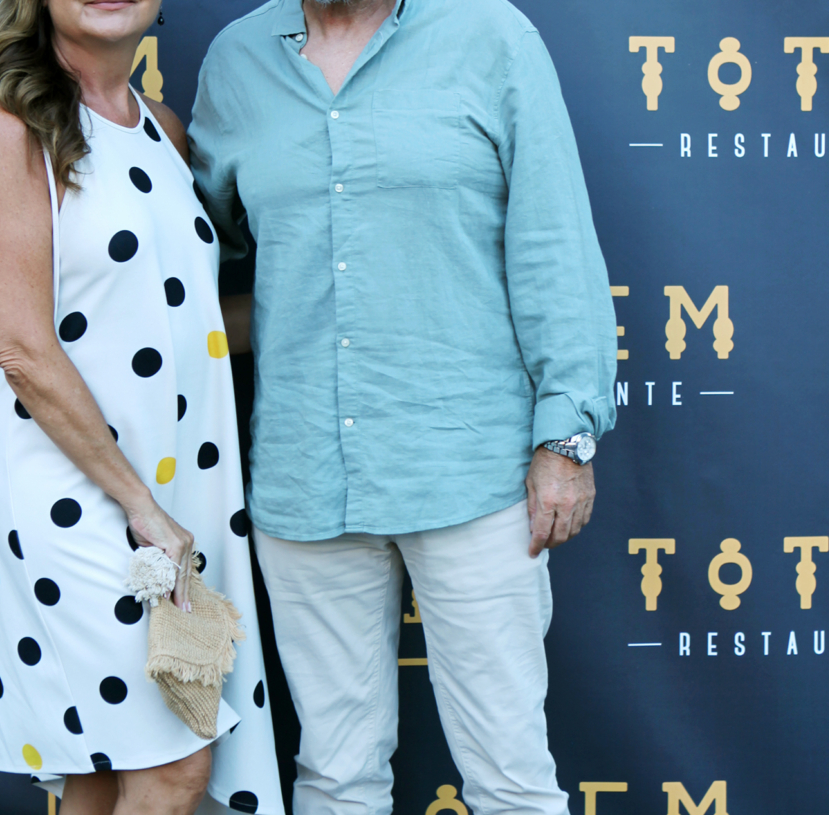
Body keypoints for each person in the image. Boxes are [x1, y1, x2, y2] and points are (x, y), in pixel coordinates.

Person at [190, 1, 617, 813]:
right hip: (304, 474)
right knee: (334, 774)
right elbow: (192, 245)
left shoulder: (491, 37)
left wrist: (567, 436)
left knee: (511, 776)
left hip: (473, 470)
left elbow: (554, 240)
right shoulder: (237, 61)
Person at [0, 1, 282, 814]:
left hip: (180, 493)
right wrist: (142, 508)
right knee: (173, 765)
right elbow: (25, 351)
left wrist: (331, 307)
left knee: (102, 772)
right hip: (80, 497)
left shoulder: (166, 132)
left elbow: (190, 324)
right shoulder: (12, 131)